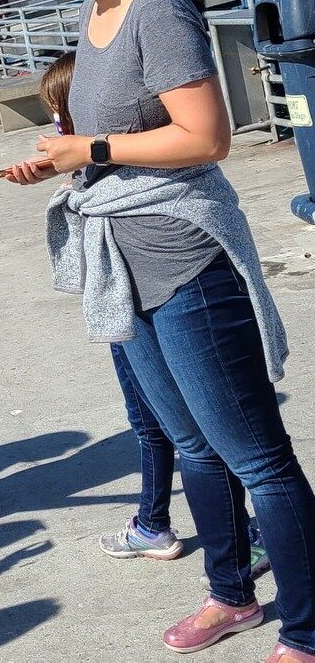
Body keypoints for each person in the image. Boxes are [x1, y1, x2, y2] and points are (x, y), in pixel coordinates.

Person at [8, 0, 315, 661]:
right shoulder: (96, 16)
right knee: (190, 445)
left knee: (257, 456)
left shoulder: (157, 9)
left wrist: (93, 145)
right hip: (126, 263)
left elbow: (204, 136)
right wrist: (64, 161)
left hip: (185, 263)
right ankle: (230, 593)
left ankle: (308, 626)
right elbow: (124, 135)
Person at [38, 54, 271, 575]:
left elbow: (208, 141)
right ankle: (208, 561)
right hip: (127, 296)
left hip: (167, 279)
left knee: (221, 443)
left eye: (61, 118)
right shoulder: (97, 172)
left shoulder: (138, 160)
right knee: (177, 432)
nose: (56, 129)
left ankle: (214, 532)